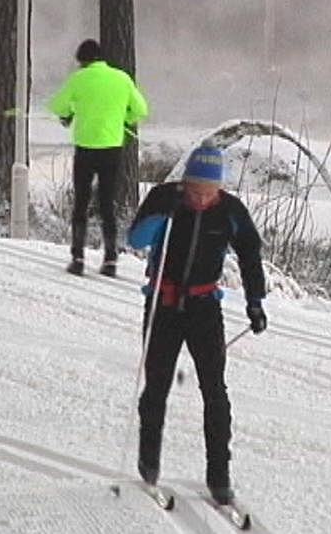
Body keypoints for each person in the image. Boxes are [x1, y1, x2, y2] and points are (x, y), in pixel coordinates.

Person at [126, 143, 268, 505]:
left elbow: (251, 254)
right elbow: (136, 239)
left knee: (215, 391)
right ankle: (149, 461)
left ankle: (219, 476)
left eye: (208, 193)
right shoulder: (164, 198)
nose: (201, 200)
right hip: (164, 304)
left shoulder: (231, 211)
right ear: (185, 183)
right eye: (194, 191)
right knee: (157, 386)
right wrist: (163, 216)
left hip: (205, 308)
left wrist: (255, 302)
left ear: (219, 188)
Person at [48, 38, 149, 277]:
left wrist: (69, 114)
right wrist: (124, 119)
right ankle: (111, 258)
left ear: (82, 61)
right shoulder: (122, 78)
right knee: (107, 204)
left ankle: (78, 257)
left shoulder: (79, 79)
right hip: (112, 149)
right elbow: (141, 110)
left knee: (81, 203)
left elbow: (57, 106)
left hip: (85, 148)